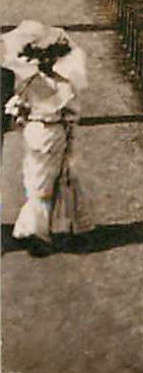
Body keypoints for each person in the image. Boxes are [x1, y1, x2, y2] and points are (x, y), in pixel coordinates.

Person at [6, 27, 87, 256]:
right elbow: (72, 116)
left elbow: (70, 115)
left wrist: (22, 117)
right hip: (40, 133)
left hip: (49, 135)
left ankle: (35, 232)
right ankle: (33, 229)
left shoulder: (43, 84)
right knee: (36, 180)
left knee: (42, 182)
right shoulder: (45, 84)